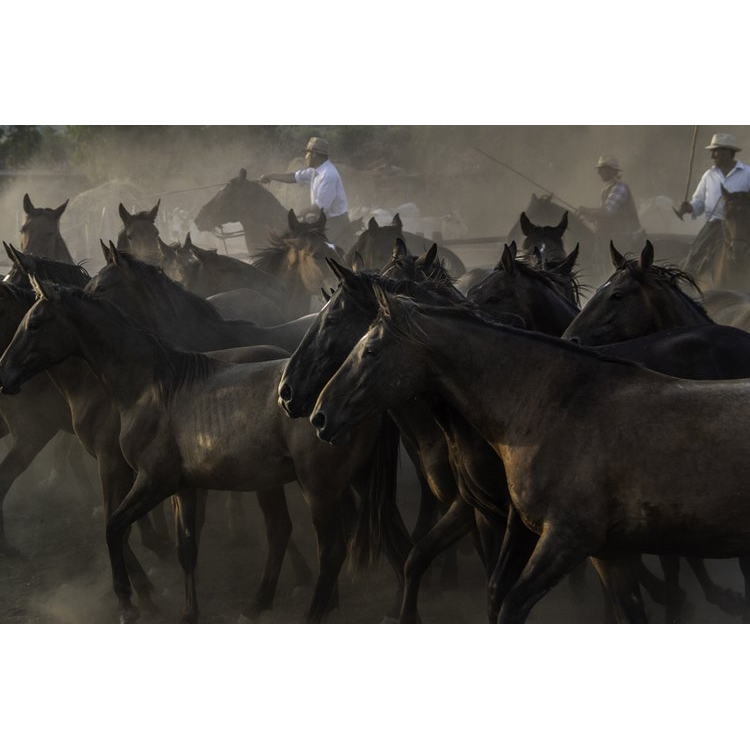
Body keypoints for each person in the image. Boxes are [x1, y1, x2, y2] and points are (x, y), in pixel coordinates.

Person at [677, 132, 750, 277]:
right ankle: (686, 286)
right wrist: (689, 207)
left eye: (715, 151)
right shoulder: (708, 175)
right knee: (693, 256)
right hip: (714, 224)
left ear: (728, 152)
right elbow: (698, 202)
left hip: (742, 224)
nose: (712, 156)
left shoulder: (747, 173)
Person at [259, 136, 350, 243]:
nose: (305, 156)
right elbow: (293, 177)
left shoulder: (328, 175)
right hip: (325, 220)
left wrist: (301, 212)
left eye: (307, 153)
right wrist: (270, 176)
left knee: (312, 249)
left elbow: (319, 207)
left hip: (335, 224)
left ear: (314, 154)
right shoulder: (315, 171)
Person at [577, 155, 645, 267]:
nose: (598, 172)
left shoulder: (619, 187)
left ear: (611, 171)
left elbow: (608, 212)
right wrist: (592, 218)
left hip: (624, 236)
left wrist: (586, 211)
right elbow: (606, 215)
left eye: (601, 169)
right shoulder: (608, 188)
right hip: (613, 235)